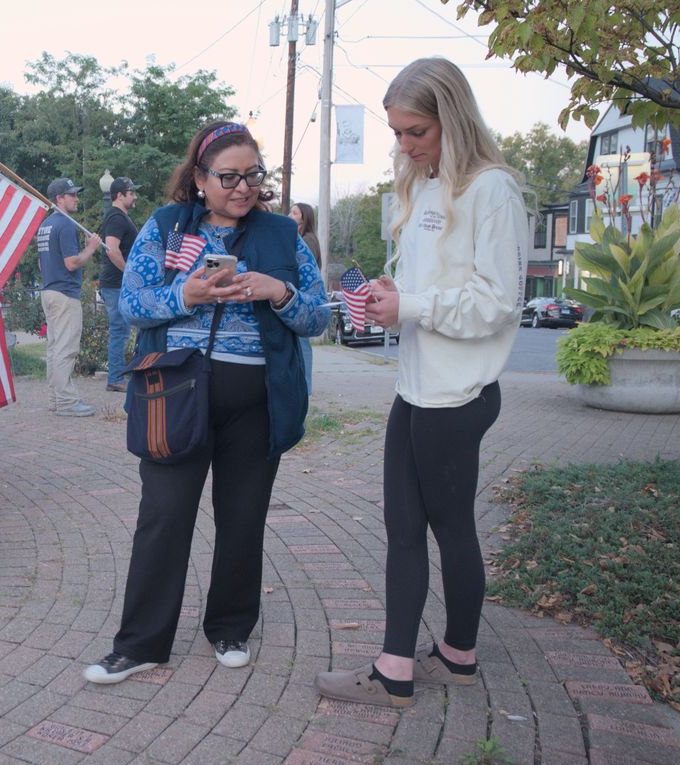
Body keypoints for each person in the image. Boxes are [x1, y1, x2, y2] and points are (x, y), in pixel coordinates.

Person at [314, 58, 528, 708]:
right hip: (417, 387)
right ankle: (421, 661)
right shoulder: (427, 187)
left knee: (449, 528)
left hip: (457, 394)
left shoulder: (491, 190)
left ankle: (428, 663)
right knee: (406, 526)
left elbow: (499, 303)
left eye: (417, 132)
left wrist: (411, 305)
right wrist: (395, 292)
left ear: (452, 121)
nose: (404, 146)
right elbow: (436, 286)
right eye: (397, 133)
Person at [83, 120, 329, 684]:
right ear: (199, 177)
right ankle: (140, 643)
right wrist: (185, 294)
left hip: (257, 402)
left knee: (243, 517)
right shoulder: (167, 226)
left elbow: (318, 316)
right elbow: (133, 304)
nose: (243, 188)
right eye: (228, 177)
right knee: (164, 516)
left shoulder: (282, 235)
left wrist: (279, 292)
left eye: (252, 176)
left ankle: (230, 627)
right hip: (176, 396)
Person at [35, 177, 101, 417]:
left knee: (54, 348)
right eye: (71, 194)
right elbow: (71, 263)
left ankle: (55, 399)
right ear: (59, 199)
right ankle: (66, 401)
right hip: (64, 293)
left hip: (49, 290)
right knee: (66, 348)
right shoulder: (66, 225)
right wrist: (91, 248)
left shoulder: (45, 225)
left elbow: (41, 264)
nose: (76, 198)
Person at [97, 177, 140, 392]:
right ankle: (115, 378)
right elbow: (111, 250)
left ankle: (118, 375)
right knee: (119, 330)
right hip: (116, 284)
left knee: (123, 329)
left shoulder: (118, 217)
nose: (135, 197)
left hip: (116, 283)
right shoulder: (115, 218)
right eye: (131, 193)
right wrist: (129, 274)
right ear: (119, 195)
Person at [288, 202, 320, 395]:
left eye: (294, 212)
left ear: (304, 217)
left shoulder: (308, 240)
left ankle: (305, 387)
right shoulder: (299, 237)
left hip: (305, 299)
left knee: (302, 343)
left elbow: (303, 268)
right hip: (298, 297)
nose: (289, 215)